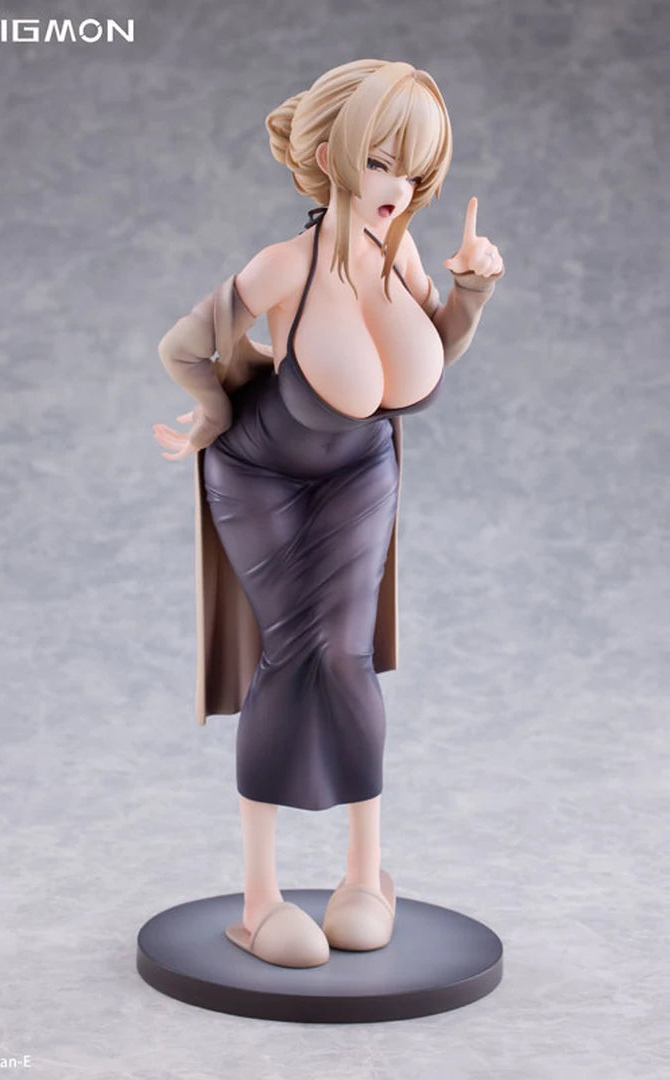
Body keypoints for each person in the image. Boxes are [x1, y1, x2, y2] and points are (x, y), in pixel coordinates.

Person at [153, 59, 504, 968]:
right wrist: (214, 414)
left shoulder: (403, 256)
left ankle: (365, 874)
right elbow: (185, 346)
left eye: (416, 171)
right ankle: (259, 898)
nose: (400, 188)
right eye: (382, 162)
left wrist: (471, 290)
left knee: (346, 657)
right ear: (328, 157)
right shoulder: (284, 267)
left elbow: (435, 351)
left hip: (359, 468)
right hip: (261, 474)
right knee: (289, 656)